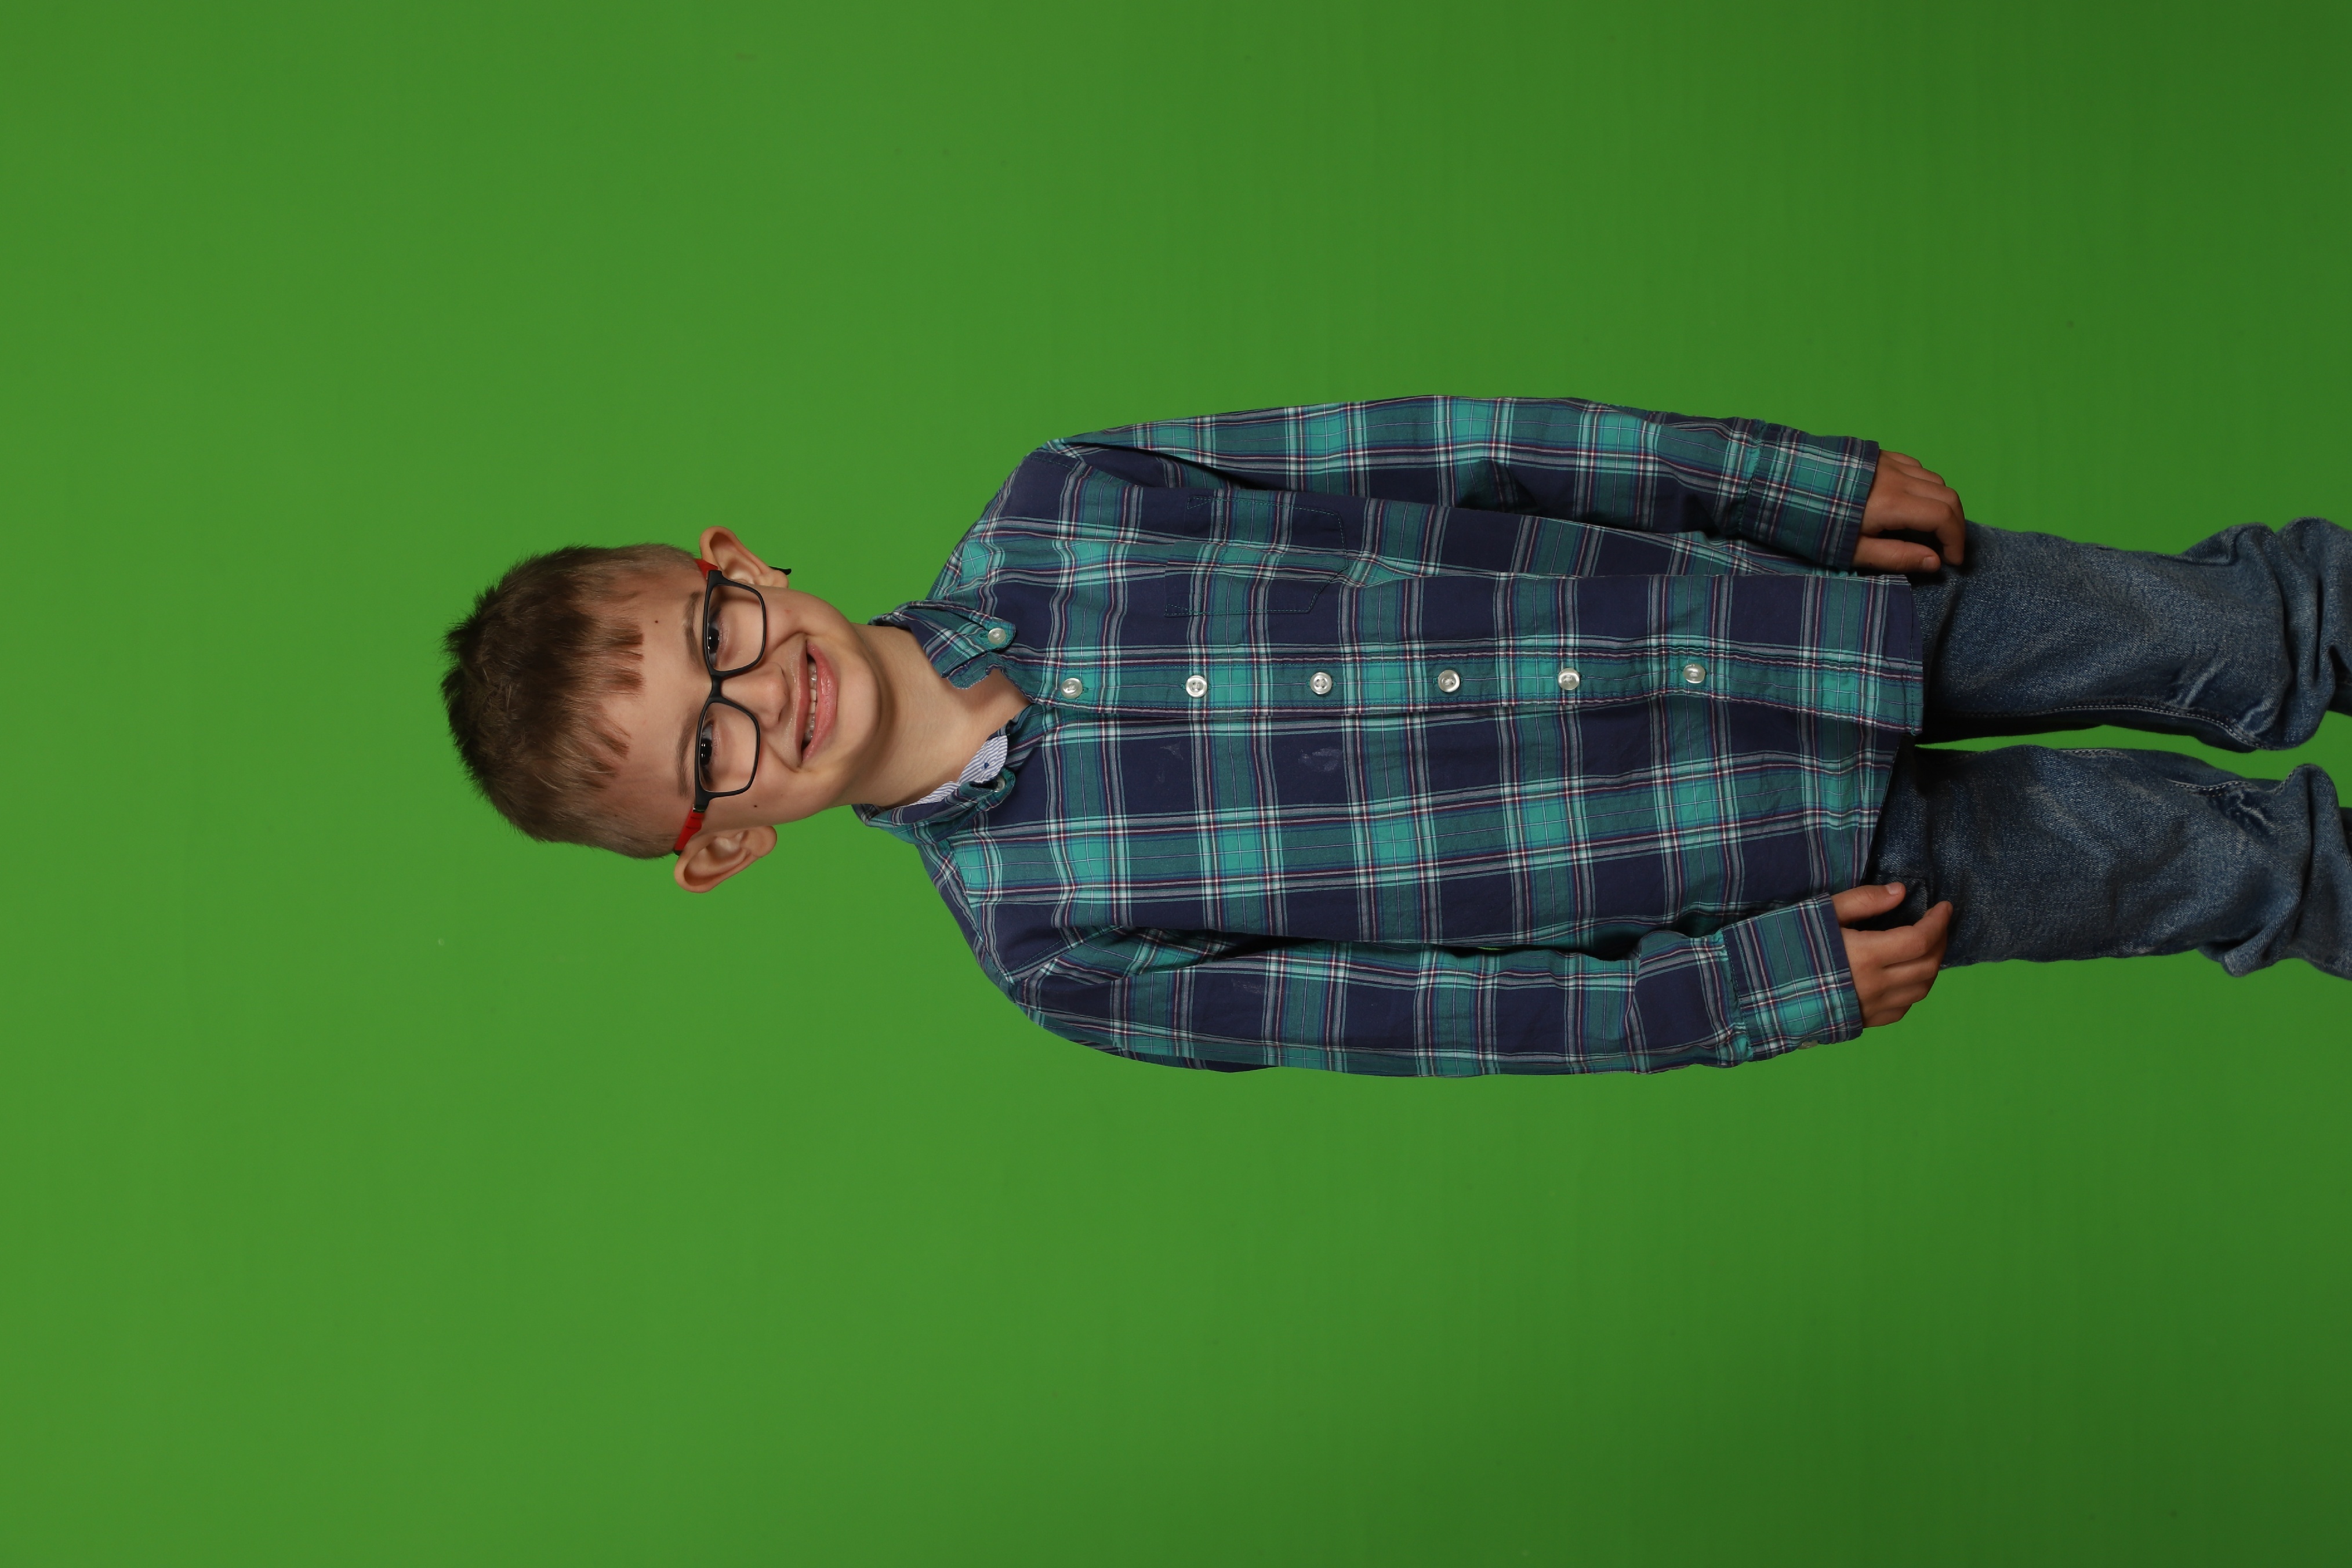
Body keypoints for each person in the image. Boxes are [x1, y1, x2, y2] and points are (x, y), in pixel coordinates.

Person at [440, 398, 2352, 1075]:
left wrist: (1777, 484)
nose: (762, 693)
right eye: (709, 750)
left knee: (2245, 628)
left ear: (738, 565)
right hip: (1782, 872)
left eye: (716, 639)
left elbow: (1453, 447)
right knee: (2225, 871)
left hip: (1783, 607)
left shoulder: (1070, 499)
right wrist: (1745, 994)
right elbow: (1447, 1023)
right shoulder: (1058, 952)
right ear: (721, 841)